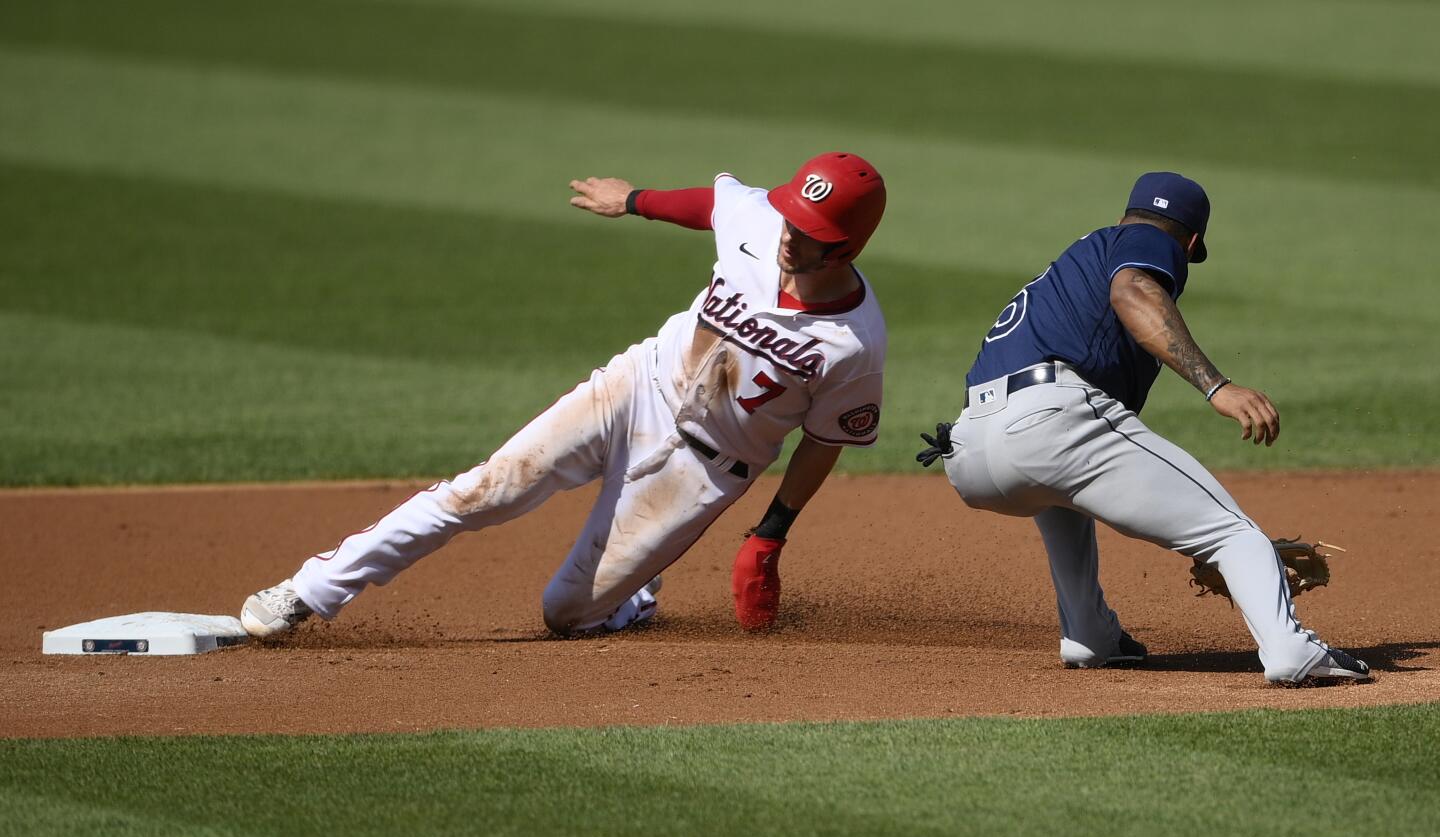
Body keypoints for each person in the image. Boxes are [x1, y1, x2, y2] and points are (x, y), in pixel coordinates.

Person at [241, 153, 888, 639]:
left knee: (567, 614)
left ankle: (632, 592)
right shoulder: (762, 219)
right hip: (635, 389)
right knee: (485, 490)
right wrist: (633, 199)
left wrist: (769, 535)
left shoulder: (854, 344)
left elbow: (827, 440)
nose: (788, 234)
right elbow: (713, 206)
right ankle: (308, 591)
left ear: (846, 247)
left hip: (703, 472)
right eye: (791, 216)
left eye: (808, 230)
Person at [919, 172, 1370, 684]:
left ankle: (1090, 635)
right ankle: (1292, 650)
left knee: (1063, 493)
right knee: (1234, 535)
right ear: (1192, 241)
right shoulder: (1147, 243)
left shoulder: (1074, 270)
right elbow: (1133, 289)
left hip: (970, 449)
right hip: (1047, 419)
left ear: (1123, 214)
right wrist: (1216, 386)